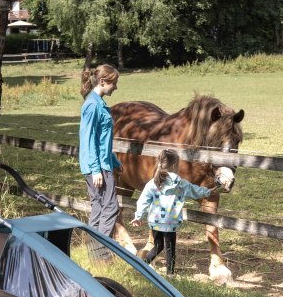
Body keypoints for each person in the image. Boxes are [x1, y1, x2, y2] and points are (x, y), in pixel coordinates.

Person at [131, 148, 216, 275]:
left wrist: (138, 216)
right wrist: (210, 191)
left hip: (155, 221)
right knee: (170, 249)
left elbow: (143, 200)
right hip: (170, 223)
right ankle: (170, 273)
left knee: (158, 247)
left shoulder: (153, 183)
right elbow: (196, 191)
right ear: (175, 165)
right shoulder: (181, 184)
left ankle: (143, 265)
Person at [79, 64, 122, 240]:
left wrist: (114, 161)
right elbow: (88, 140)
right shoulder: (92, 105)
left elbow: (102, 140)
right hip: (97, 167)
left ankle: (93, 249)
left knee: (98, 206)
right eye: (114, 83)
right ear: (103, 81)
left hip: (103, 163)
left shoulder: (99, 103)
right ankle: (101, 251)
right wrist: (96, 170)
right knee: (111, 207)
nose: (116, 87)